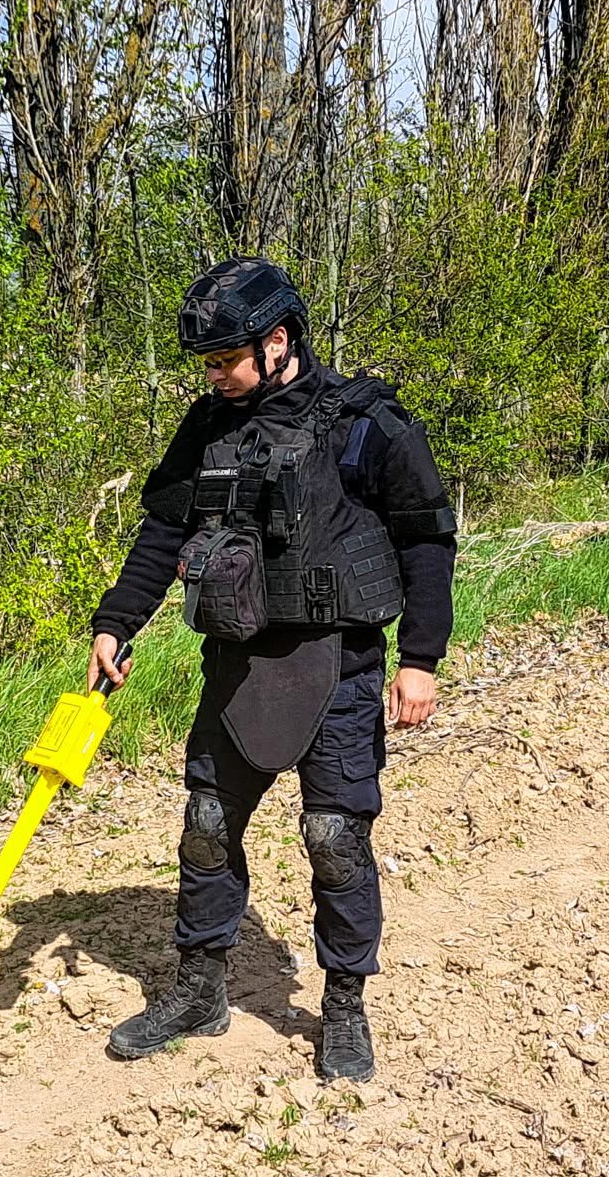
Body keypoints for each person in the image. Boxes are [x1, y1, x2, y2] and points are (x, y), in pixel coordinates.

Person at [87, 257, 458, 1081]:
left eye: (226, 360)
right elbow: (161, 535)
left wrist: (421, 659)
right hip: (239, 662)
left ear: (279, 341)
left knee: (334, 838)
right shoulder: (210, 427)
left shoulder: (368, 424)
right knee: (208, 827)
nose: (214, 376)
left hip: (344, 666)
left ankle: (344, 1008)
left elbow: (428, 542)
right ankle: (200, 990)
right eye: (208, 364)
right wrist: (116, 622)